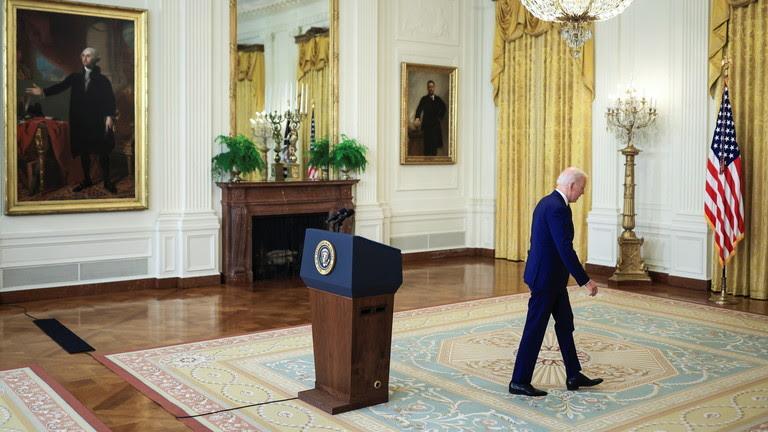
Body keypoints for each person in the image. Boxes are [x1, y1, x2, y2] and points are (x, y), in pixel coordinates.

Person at [508, 167, 603, 397]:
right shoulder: (557, 208)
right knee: (535, 328)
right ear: (572, 186)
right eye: (582, 188)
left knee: (564, 324)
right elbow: (564, 248)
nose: (582, 193)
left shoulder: (547, 202)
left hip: (552, 278)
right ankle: (518, 381)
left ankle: (573, 374)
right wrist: (585, 280)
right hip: (546, 280)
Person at [26, 47, 117, 194]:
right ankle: (87, 179)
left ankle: (107, 181)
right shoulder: (75, 77)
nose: (84, 58)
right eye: (83, 55)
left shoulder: (103, 80)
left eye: (88, 56)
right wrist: (42, 92)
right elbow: (60, 86)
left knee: (103, 151)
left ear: (95, 59)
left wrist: (109, 116)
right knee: (83, 151)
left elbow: (110, 100)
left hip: (97, 121)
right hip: (80, 121)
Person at [413, 80, 446, 156]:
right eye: (429, 87)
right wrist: (417, 118)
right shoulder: (424, 99)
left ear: (434, 88)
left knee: (434, 149)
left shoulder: (438, 99)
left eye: (432, 87)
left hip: (435, 127)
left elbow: (444, 108)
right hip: (426, 127)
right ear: (427, 88)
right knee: (426, 148)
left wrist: (440, 117)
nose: (431, 88)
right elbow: (419, 109)